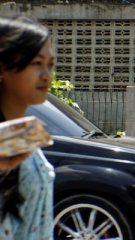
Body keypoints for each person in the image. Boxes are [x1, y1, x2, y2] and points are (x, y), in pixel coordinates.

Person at [0, 16, 55, 239]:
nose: (46, 75)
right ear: (3, 67)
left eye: (50, 65)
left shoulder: (23, 136)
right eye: (36, 63)